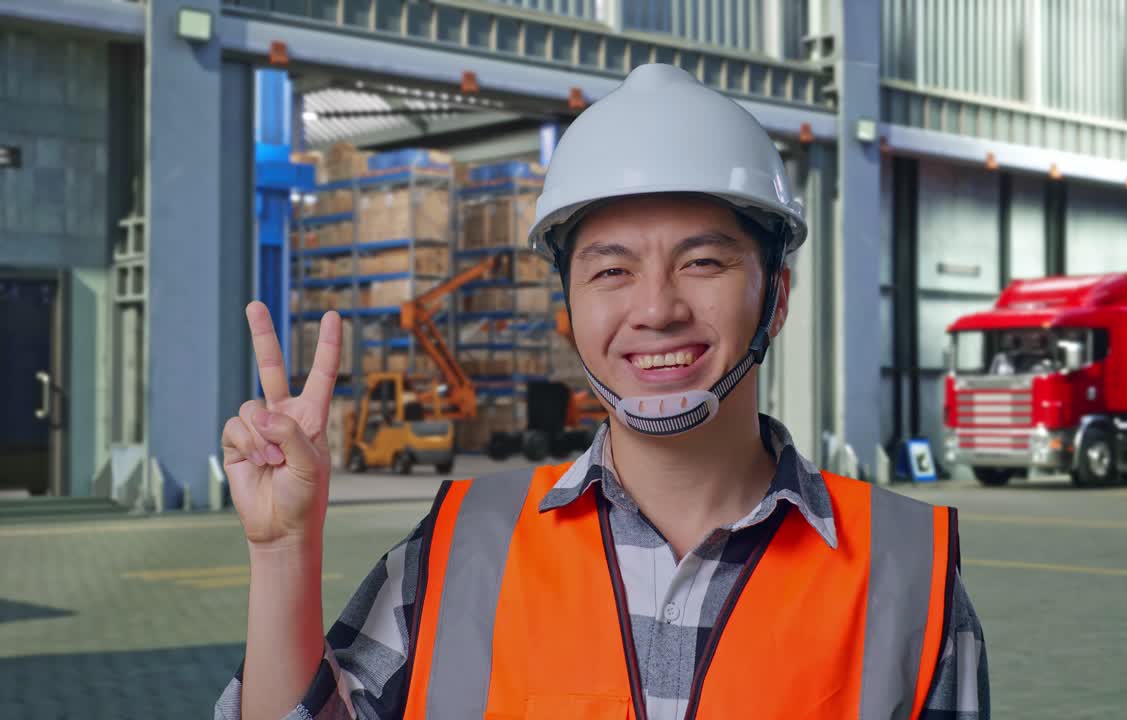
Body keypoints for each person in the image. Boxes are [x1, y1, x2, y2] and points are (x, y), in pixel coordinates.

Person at [216, 63, 988, 720]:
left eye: (704, 263)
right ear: (570, 311)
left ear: (777, 297)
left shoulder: (904, 573)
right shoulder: (458, 550)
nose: (656, 309)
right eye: (612, 271)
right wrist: (285, 552)